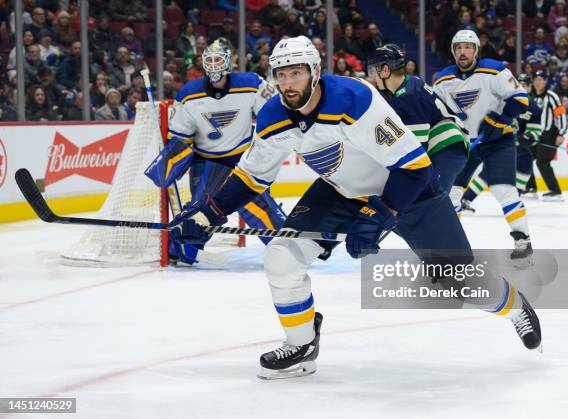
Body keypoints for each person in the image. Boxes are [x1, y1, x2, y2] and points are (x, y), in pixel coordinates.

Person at [167, 36, 542, 379]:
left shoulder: (354, 99)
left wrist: (379, 214)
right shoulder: (273, 116)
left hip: (411, 191)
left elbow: (413, 166)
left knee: (460, 281)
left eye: (296, 73)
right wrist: (207, 214)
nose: (288, 83)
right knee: (282, 255)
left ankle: (515, 306)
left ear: (315, 71)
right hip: (341, 190)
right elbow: (251, 177)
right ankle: (301, 344)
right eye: (281, 74)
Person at [144, 40, 286, 265]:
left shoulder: (251, 83)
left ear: (229, 62)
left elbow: (274, 114)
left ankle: (285, 245)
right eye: (208, 60)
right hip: (207, 161)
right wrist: (171, 161)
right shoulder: (189, 94)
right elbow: (181, 137)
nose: (213, 65)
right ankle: (182, 247)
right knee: (204, 208)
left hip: (242, 159)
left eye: (218, 59)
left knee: (256, 203)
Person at [433, 30, 533, 259]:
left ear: (476, 50)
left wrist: (501, 119)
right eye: (458, 48)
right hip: (464, 143)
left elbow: (520, 99)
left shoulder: (494, 69)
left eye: (468, 47)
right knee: (452, 195)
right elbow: (437, 113)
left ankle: (523, 241)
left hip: (498, 140)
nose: (463, 52)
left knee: (502, 190)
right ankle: (451, 248)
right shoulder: (443, 79)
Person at [367, 44, 468, 203]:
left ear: (385, 70)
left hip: (446, 148)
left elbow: (416, 148)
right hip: (448, 146)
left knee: (430, 204)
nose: (372, 77)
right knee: (425, 203)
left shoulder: (407, 96)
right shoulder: (411, 83)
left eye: (373, 71)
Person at [462, 73, 543, 211]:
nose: (522, 87)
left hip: (520, 147)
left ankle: (514, 200)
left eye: (526, 85)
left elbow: (535, 132)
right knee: (489, 171)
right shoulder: (505, 100)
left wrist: (529, 137)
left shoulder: (534, 107)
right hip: (501, 142)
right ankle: (466, 198)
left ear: (530, 87)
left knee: (525, 165)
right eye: (520, 84)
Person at [529, 70, 568, 201]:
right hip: (534, 134)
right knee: (524, 157)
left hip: (549, 134)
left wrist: (561, 133)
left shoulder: (552, 96)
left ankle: (555, 191)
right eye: (536, 80)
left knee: (542, 162)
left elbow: (561, 114)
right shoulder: (531, 96)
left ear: (545, 81)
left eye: (541, 79)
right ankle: (530, 188)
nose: (538, 82)